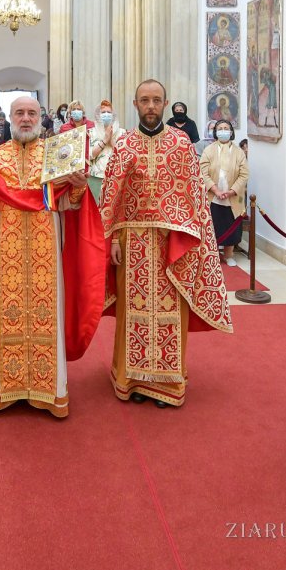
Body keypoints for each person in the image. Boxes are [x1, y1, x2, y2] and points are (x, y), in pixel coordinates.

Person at [0, 97, 105, 418]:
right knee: (4, 312)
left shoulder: (59, 156)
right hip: (4, 249)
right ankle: (5, 388)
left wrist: (78, 188)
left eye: (32, 113)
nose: (26, 119)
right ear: (9, 118)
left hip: (47, 245)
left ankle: (48, 389)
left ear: (41, 119)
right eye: (20, 113)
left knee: (47, 312)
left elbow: (69, 205)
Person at [100, 80, 233, 407]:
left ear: (166, 103)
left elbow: (194, 197)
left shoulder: (181, 143)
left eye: (156, 100)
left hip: (171, 242)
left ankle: (166, 381)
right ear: (135, 104)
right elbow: (111, 196)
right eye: (144, 100)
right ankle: (130, 378)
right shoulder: (125, 144)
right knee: (133, 312)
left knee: (170, 311)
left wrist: (194, 236)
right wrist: (112, 238)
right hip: (131, 243)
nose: (150, 106)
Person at [200, 119, 249, 267]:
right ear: (215, 132)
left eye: (226, 128)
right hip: (213, 196)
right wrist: (215, 190)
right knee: (213, 226)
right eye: (220, 128)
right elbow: (202, 171)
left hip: (232, 197)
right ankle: (212, 255)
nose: (223, 130)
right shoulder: (208, 150)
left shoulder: (239, 152)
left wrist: (231, 191)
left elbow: (244, 174)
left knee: (231, 227)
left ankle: (229, 255)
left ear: (231, 132)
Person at [86, 99, 125, 200]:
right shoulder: (91, 132)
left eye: (109, 112)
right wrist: (104, 140)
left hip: (116, 177)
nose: (106, 115)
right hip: (96, 178)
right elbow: (89, 155)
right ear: (98, 115)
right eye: (103, 112)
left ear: (113, 115)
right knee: (97, 210)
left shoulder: (122, 133)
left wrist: (111, 139)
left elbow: (124, 155)